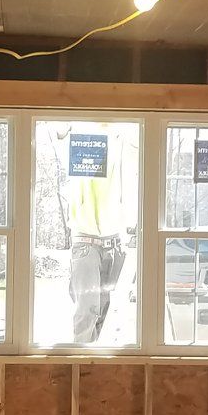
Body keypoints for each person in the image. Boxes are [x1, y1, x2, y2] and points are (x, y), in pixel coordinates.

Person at [66, 131, 135, 343]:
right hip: (86, 240)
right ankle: (81, 358)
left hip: (114, 242)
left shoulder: (125, 140)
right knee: (87, 308)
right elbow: (60, 134)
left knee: (105, 308)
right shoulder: (82, 143)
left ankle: (92, 354)